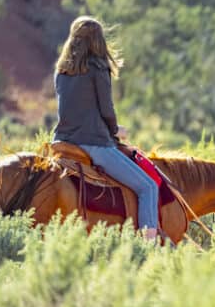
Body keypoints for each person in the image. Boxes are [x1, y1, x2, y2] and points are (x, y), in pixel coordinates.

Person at [52, 16, 161, 240]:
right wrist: (115, 130)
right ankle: (149, 249)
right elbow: (106, 109)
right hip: (94, 143)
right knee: (148, 187)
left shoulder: (61, 72)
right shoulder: (98, 68)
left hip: (62, 141)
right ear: (98, 41)